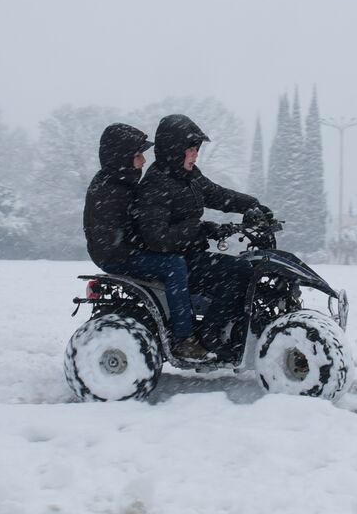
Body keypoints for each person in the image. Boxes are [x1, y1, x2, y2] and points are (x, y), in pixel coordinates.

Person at [134, 114, 268, 358]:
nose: (196, 154)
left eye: (197, 149)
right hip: (174, 260)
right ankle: (210, 334)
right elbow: (157, 237)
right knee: (239, 272)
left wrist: (252, 205)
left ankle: (234, 329)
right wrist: (201, 229)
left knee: (244, 267)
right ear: (175, 151)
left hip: (190, 254)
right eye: (192, 149)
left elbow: (217, 195)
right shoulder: (155, 185)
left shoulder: (188, 176)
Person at [84, 123, 215, 362]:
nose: (144, 160)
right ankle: (183, 339)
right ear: (122, 157)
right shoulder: (111, 190)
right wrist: (160, 241)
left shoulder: (120, 182)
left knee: (177, 258)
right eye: (138, 155)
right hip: (117, 256)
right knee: (173, 265)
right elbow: (120, 235)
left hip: (122, 251)